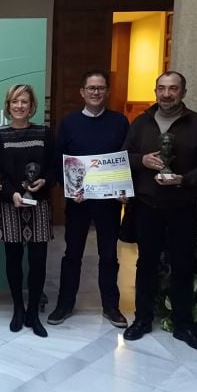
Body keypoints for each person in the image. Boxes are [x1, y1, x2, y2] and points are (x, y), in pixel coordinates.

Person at [122, 71, 197, 352]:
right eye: (162, 88)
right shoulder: (141, 123)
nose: (167, 94)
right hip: (147, 206)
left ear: (183, 92)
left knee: (182, 266)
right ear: (155, 91)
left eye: (173, 88)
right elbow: (124, 157)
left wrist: (184, 179)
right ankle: (142, 319)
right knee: (146, 264)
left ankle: (184, 325)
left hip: (182, 207)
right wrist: (143, 160)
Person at [48, 70, 130, 328]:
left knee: (109, 255)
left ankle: (111, 306)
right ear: (82, 92)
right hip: (79, 202)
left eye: (101, 88)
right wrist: (69, 188)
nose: (96, 92)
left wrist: (123, 189)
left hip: (108, 203)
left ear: (107, 92)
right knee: (72, 253)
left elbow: (126, 158)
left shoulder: (119, 122)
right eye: (91, 88)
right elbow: (58, 161)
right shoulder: (69, 123)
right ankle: (64, 304)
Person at [0, 84, 54, 338]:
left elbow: (52, 168)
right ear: (8, 105)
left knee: (38, 262)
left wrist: (44, 181)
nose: (19, 106)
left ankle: (33, 312)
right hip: (8, 204)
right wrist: (11, 194)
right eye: (15, 102)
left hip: (39, 205)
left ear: (32, 105)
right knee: (13, 261)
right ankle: (17, 308)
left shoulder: (44, 133)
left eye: (24, 102)